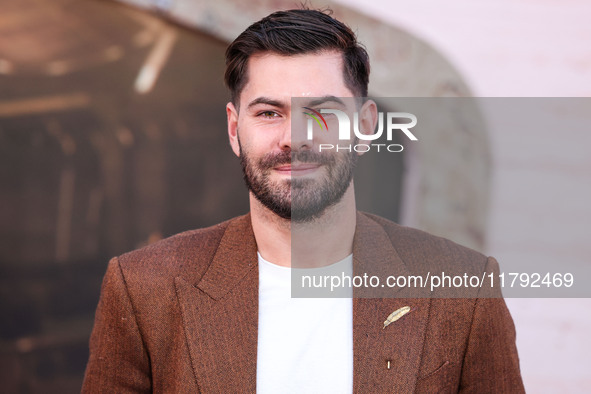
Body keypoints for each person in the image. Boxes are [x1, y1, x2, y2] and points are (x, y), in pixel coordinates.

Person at [82, 8, 525, 393]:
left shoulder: (463, 289)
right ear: (235, 130)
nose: (295, 139)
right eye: (269, 113)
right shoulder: (143, 288)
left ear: (366, 126)